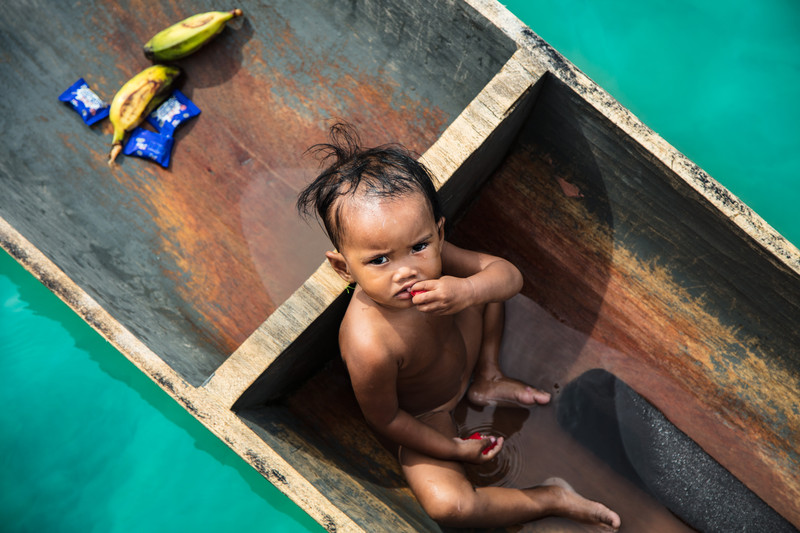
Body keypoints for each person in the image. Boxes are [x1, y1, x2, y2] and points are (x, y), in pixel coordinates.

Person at [297, 123, 621, 530]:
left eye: (419, 246)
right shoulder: (368, 342)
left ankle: (488, 374)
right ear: (345, 267)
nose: (407, 272)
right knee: (450, 508)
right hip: (430, 413)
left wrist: (466, 291)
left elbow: (508, 277)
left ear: (439, 233)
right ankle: (549, 497)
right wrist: (453, 448)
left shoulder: (438, 259)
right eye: (379, 260)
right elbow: (388, 420)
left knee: (488, 288)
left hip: (470, 352)